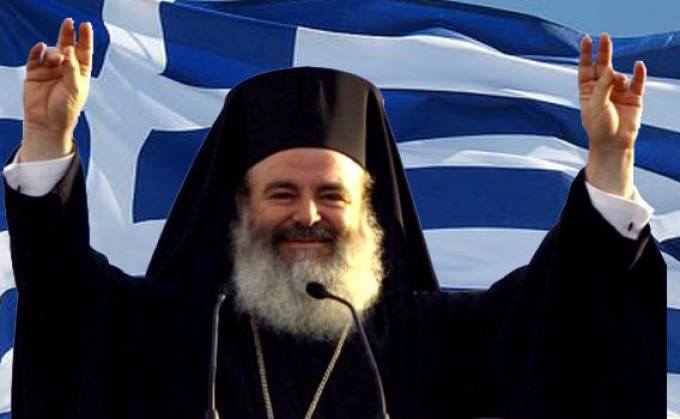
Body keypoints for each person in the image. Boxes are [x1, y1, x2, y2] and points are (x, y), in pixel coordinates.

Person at [2, 18, 666, 419]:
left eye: (331, 195)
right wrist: (48, 139)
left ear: (366, 209)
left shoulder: (431, 340)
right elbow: (62, 294)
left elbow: (564, 306)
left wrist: (610, 160)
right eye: (282, 193)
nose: (308, 215)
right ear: (242, 203)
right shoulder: (168, 332)